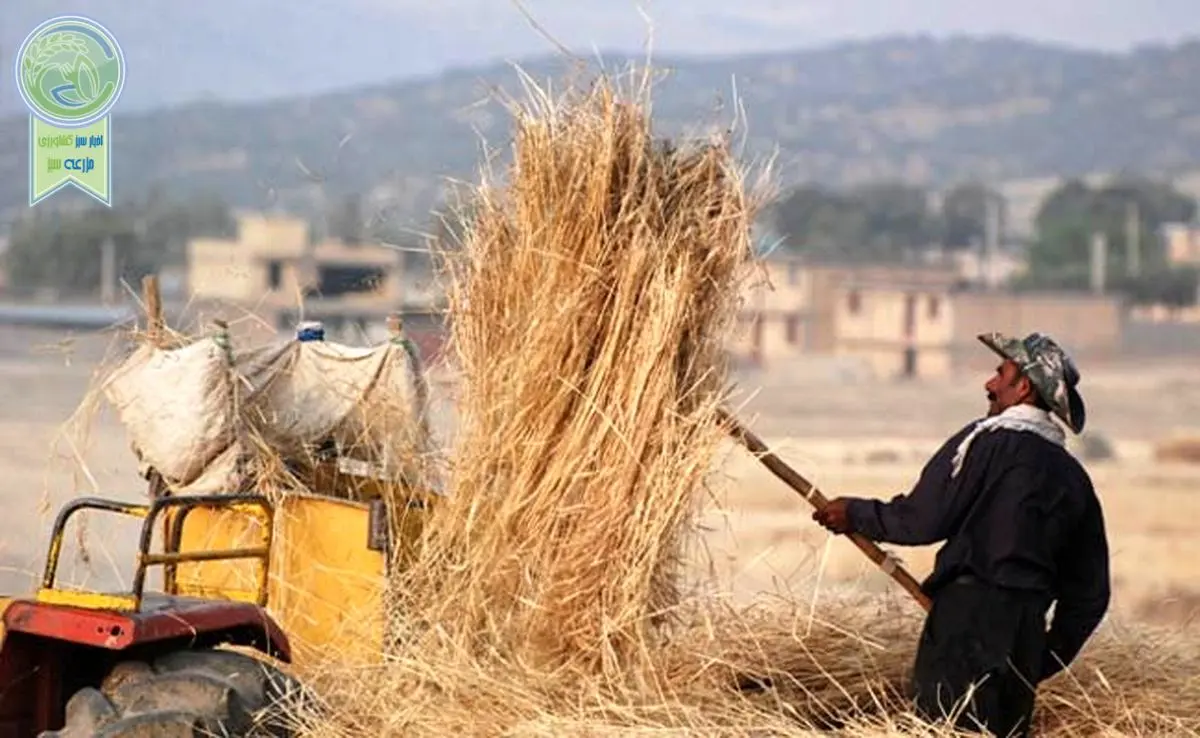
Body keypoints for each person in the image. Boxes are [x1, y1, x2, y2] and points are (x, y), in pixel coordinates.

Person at [812, 331, 1111, 737]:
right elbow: (1089, 594)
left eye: (999, 373)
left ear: (1023, 387)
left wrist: (855, 514)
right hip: (1024, 632)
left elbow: (922, 521)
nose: (989, 385)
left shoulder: (986, 442)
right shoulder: (1074, 479)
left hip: (965, 622)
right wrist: (1041, 657)